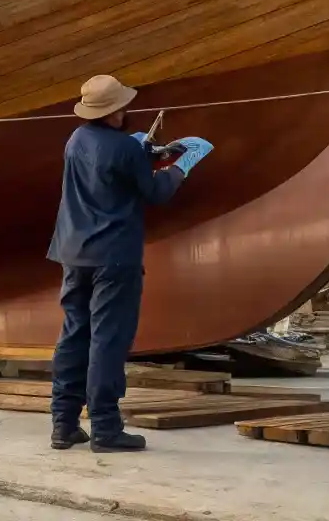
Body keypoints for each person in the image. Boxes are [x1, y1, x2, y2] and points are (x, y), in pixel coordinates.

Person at [46, 75, 212, 453]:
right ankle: (105, 428)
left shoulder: (76, 139)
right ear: (116, 110)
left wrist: (148, 153)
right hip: (113, 257)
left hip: (73, 252)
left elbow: (109, 168)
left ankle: (64, 424)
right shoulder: (124, 149)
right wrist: (180, 165)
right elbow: (156, 192)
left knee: (74, 335)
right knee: (108, 339)